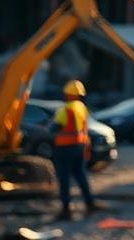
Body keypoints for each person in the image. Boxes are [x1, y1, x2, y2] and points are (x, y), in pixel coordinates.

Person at [51, 79, 97, 221]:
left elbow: (55, 128)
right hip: (79, 147)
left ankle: (66, 210)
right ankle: (89, 203)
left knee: (64, 178)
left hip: (64, 149)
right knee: (80, 174)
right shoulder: (82, 107)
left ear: (67, 94)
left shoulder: (64, 110)